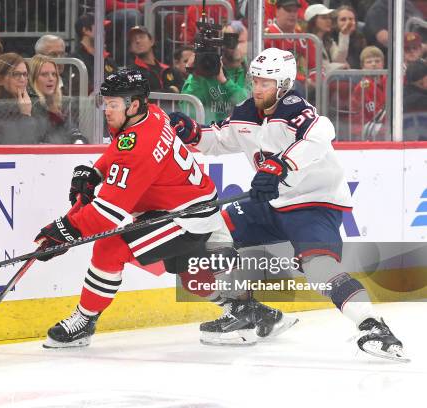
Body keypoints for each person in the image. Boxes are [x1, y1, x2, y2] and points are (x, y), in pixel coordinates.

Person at [168, 48, 407, 362]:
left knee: (319, 267)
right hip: (272, 201)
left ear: (282, 85)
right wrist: (192, 133)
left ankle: (374, 327)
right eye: (255, 80)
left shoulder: (295, 109)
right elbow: (219, 138)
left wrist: (281, 165)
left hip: (314, 202)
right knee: (214, 232)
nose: (256, 88)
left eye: (265, 83)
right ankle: (247, 310)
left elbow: (322, 134)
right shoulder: (245, 112)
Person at [33, 68, 295, 349]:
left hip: (185, 217)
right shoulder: (153, 114)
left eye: (113, 104)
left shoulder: (139, 147)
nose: (106, 110)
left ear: (133, 105)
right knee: (193, 277)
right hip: (189, 206)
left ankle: (83, 322)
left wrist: (63, 232)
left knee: (110, 249)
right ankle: (254, 312)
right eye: (105, 103)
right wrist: (95, 173)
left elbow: (105, 215)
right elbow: (120, 148)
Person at [29, 54, 87, 144]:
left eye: (54, 74)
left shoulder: (58, 104)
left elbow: (72, 130)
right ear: (33, 78)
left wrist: (78, 140)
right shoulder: (30, 105)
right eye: (44, 74)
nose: (51, 79)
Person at [71, 13, 117, 95]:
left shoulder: (108, 61)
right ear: (85, 30)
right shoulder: (74, 60)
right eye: (100, 28)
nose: (104, 32)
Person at [127, 25, 183, 93]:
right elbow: (140, 95)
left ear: (152, 41)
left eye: (141, 37)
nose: (138, 41)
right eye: (133, 40)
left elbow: (183, 90)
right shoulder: (130, 72)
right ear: (130, 48)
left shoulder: (169, 70)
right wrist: (171, 91)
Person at [331, 5, 366, 70]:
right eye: (343, 19)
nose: (348, 22)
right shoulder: (330, 39)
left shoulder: (361, 38)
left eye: (351, 19)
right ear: (335, 23)